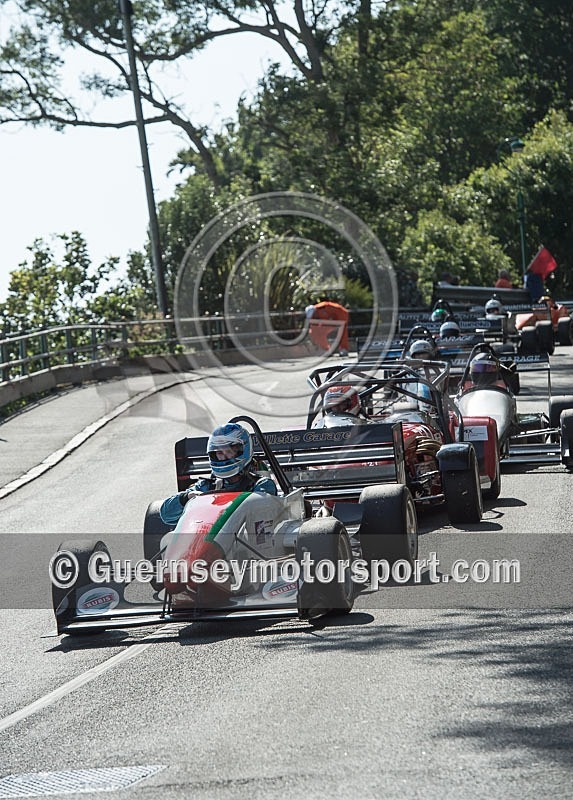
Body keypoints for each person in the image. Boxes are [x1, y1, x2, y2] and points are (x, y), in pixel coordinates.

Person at [160, 423, 277, 525]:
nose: (224, 457)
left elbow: (265, 513)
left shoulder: (262, 484)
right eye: (219, 453)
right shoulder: (206, 486)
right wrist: (187, 498)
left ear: (242, 451)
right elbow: (166, 515)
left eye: (229, 452)